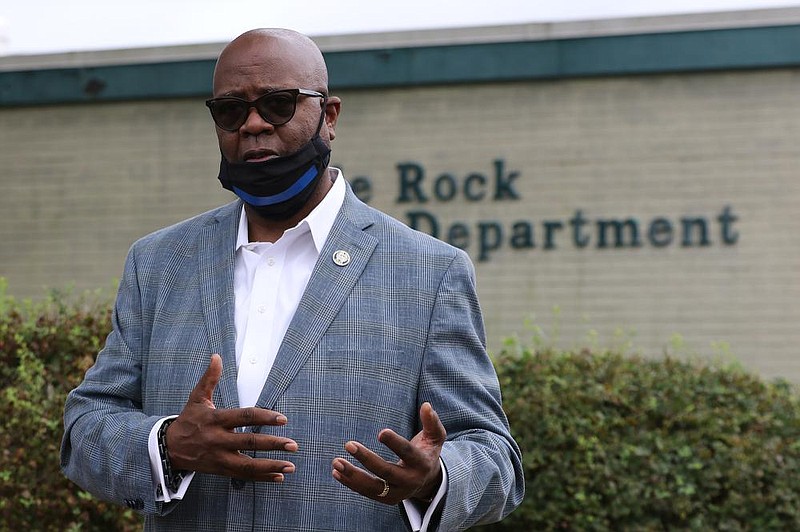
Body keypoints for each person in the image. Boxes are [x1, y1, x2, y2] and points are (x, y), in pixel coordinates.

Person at [60, 28, 524, 531]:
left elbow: (494, 455)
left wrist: (436, 479)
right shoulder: (158, 263)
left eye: (279, 104)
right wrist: (167, 445)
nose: (254, 124)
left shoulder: (431, 271)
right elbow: (86, 425)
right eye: (230, 110)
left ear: (329, 116)